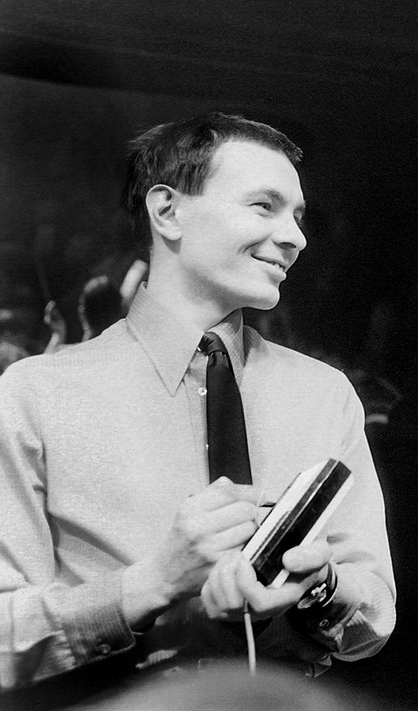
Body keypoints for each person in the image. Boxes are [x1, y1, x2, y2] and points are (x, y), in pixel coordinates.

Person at [0, 113, 396, 706]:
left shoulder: (323, 394)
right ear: (168, 211)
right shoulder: (36, 394)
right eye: (264, 206)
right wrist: (152, 584)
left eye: (298, 216)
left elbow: (374, 620)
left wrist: (321, 585)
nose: (295, 237)